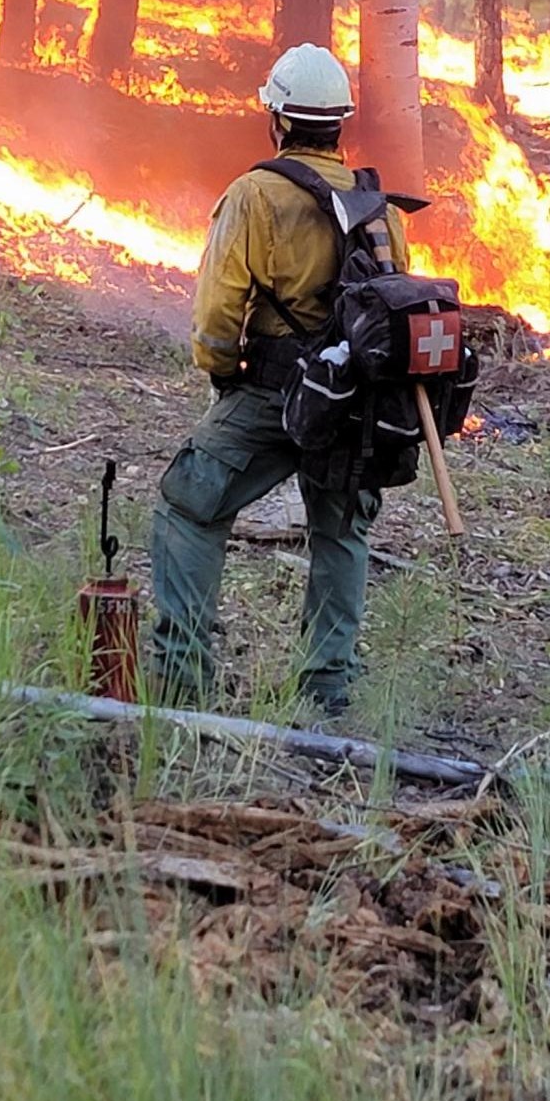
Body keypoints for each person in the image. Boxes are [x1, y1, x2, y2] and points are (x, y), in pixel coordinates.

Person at [152, 43, 409, 715]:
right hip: (351, 403)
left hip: (272, 392)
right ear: (339, 124)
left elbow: (216, 314)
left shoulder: (253, 195)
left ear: (278, 120)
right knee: (341, 530)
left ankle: (181, 679)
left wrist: (223, 372)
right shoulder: (377, 205)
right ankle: (325, 691)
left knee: (188, 500)